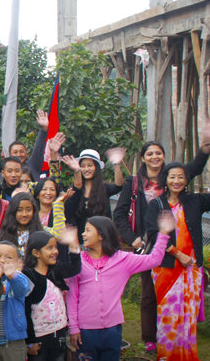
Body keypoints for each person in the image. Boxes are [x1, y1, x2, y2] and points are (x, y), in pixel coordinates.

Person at [113, 137, 209, 351]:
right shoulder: (135, 183)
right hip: (148, 245)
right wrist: (132, 238)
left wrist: (205, 148)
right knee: (150, 294)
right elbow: (119, 214)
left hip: (182, 250)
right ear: (143, 158)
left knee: (182, 298)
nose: (154, 157)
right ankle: (151, 339)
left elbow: (195, 167)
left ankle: (181, 339)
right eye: (150, 153)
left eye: (158, 153)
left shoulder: (176, 178)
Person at [67, 216, 173, 360]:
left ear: (101, 235)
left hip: (113, 331)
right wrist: (73, 327)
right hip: (86, 332)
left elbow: (154, 259)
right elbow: (72, 297)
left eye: (88, 230)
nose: (83, 234)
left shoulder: (123, 260)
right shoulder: (77, 262)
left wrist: (163, 234)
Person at [144, 162, 210, 360]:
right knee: (169, 316)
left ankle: (187, 356)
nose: (176, 181)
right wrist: (178, 254)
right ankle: (167, 356)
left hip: (191, 269)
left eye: (181, 177)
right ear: (165, 179)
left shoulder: (194, 201)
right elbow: (153, 234)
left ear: (186, 180)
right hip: (166, 269)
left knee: (189, 316)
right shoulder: (157, 205)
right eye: (172, 177)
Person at [23, 230, 81, 361]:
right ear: (36, 253)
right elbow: (25, 310)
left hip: (59, 334)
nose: (55, 251)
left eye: (55, 247)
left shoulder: (56, 270)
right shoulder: (28, 276)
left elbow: (74, 269)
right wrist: (30, 341)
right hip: (39, 338)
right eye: (49, 248)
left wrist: (73, 245)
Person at [64, 148, 125, 235]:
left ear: (96, 167)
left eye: (90, 165)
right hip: (78, 237)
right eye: (83, 166)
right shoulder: (75, 190)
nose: (86, 169)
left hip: (101, 236)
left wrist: (116, 164)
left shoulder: (104, 188)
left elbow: (118, 186)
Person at [0, 241, 32, 360]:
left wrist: (12, 276)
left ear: (18, 262)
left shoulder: (18, 277)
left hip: (13, 342)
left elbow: (22, 290)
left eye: (8, 257)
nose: (2, 260)